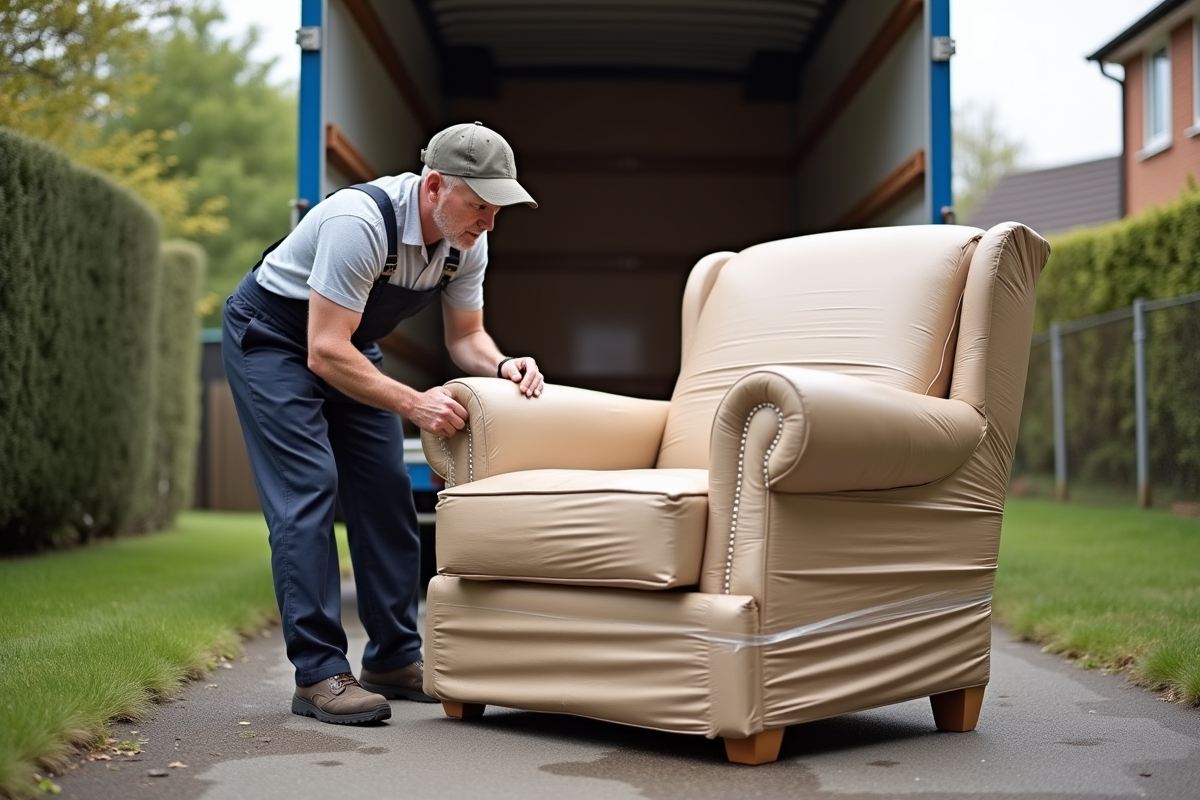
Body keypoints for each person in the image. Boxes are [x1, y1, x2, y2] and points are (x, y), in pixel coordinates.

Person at [222, 122, 544, 724]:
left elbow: (467, 338)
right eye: (478, 205)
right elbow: (322, 349)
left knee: (387, 493)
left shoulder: (466, 243)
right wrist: (415, 403)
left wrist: (502, 364)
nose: (488, 222)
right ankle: (319, 674)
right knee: (308, 489)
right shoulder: (360, 222)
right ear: (434, 186)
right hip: (274, 340)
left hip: (348, 347)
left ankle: (394, 658)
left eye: (497, 208)